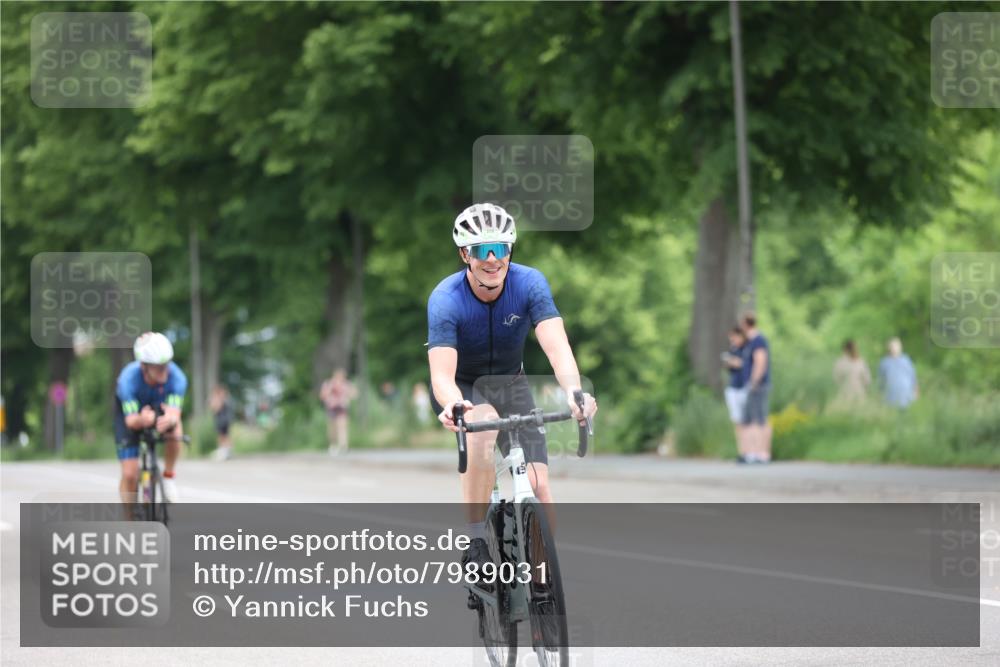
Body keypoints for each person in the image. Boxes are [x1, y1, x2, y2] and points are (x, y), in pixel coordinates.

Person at [427, 203, 598, 575]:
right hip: (466, 387)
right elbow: (441, 374)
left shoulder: (529, 283)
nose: (492, 259)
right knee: (483, 428)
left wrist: (574, 392)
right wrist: (454, 404)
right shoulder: (446, 299)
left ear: (511, 250)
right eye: (481, 250)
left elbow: (557, 346)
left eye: (500, 248)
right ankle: (475, 541)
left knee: (539, 486)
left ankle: (542, 580)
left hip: (513, 382)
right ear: (464, 254)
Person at [114, 332, 187, 504]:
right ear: (144, 366)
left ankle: (168, 477)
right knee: (130, 474)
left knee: (175, 430)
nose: (165, 371)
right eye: (159, 367)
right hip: (133, 416)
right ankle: (129, 519)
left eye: (167, 364)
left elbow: (175, 414)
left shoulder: (177, 378)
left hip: (159, 410)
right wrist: (142, 420)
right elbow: (131, 421)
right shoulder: (127, 380)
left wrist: (170, 420)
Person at [740, 313, 772, 463]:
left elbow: (760, 361)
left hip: (757, 385)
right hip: (751, 384)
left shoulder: (758, 341)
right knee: (749, 419)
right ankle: (751, 452)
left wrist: (754, 381)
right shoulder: (750, 342)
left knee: (759, 419)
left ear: (746, 324)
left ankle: (762, 453)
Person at [721, 326, 750, 462]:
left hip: (744, 387)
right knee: (737, 421)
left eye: (734, 337)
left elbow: (744, 364)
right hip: (733, 388)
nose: (732, 341)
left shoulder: (747, 349)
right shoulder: (733, 349)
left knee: (747, 420)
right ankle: (742, 451)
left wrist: (736, 363)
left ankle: (751, 451)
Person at [320, 368, 356, 455]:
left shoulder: (346, 384)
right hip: (332, 407)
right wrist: (330, 390)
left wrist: (349, 394)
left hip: (342, 406)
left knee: (342, 426)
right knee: (332, 428)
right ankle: (333, 445)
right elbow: (322, 395)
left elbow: (354, 393)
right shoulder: (328, 384)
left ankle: (343, 446)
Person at [831, 339, 871, 410]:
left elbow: (836, 379)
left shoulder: (841, 362)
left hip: (847, 392)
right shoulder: (860, 361)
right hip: (857, 392)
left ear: (845, 350)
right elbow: (867, 379)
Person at [878, 337, 918, 408]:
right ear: (888, 348)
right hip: (890, 398)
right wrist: (880, 395)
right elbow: (881, 381)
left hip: (906, 397)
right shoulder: (884, 362)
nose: (894, 348)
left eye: (897, 346)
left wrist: (916, 391)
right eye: (892, 346)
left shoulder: (906, 360)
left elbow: (913, 377)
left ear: (900, 347)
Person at [210, 384, 235, 461]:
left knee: (221, 436)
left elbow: (215, 409)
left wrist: (214, 400)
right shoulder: (227, 399)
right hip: (226, 420)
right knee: (226, 436)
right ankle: (227, 452)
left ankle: (224, 452)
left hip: (221, 420)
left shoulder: (221, 399)